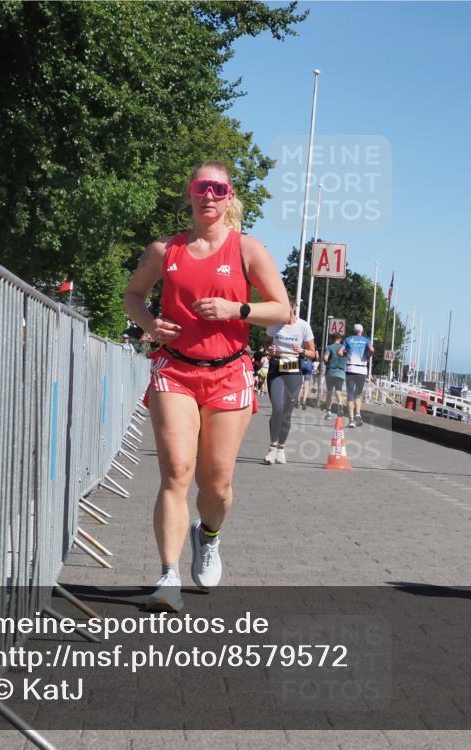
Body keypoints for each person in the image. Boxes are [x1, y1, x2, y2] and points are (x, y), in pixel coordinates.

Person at [123, 161, 290, 612]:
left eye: (218, 188)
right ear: (190, 194)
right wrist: (150, 324)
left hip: (229, 373)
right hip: (174, 370)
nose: (209, 196)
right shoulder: (165, 249)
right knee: (176, 471)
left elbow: (282, 310)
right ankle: (168, 577)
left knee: (216, 484)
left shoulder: (248, 249)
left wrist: (238, 310)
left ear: (229, 195)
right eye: (202, 188)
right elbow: (133, 295)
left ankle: (209, 535)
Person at [264, 301, 316, 464]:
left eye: (287, 309)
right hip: (276, 367)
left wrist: (301, 351)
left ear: (293, 308)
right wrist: (269, 349)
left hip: (293, 368)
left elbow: (313, 354)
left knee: (286, 412)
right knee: (277, 409)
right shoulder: (274, 325)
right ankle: (272, 448)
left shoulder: (303, 326)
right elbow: (266, 344)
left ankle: (281, 448)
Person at [339, 323, 373, 427]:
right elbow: (371, 349)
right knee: (358, 394)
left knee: (350, 394)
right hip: (361, 370)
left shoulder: (348, 339)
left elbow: (340, 352)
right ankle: (358, 415)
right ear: (361, 331)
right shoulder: (366, 340)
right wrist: (368, 356)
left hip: (350, 369)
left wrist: (346, 354)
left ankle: (351, 420)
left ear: (353, 331)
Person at [322, 333, 347, 418]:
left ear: (333, 339)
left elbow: (325, 358)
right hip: (340, 373)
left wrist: (326, 362)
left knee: (329, 392)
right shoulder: (344, 348)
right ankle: (340, 403)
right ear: (340, 339)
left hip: (330, 372)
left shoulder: (329, 347)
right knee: (338, 391)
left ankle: (328, 412)